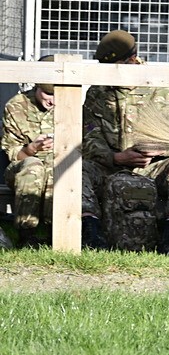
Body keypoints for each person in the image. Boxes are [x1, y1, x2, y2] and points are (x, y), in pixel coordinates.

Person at [82, 30, 169, 255]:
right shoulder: (98, 92)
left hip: (154, 165)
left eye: (116, 66)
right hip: (112, 165)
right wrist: (115, 157)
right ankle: (92, 234)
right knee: (79, 169)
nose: (110, 73)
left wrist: (161, 149)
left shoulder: (160, 87)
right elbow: (89, 136)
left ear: (132, 60)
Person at [2, 58, 106, 248]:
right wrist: (31, 149)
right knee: (34, 167)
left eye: (57, 94)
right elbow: (11, 152)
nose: (53, 100)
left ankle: (57, 232)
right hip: (25, 167)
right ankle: (27, 235)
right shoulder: (17, 106)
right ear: (36, 87)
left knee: (63, 168)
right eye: (48, 94)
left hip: (60, 165)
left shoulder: (73, 106)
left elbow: (91, 141)